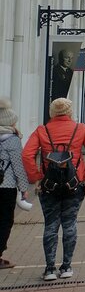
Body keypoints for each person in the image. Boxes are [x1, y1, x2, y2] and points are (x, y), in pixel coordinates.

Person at [22, 97, 85, 280]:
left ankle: (49, 269)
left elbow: (27, 154)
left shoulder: (42, 130)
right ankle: (66, 267)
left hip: (49, 186)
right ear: (70, 112)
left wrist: (36, 178)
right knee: (70, 224)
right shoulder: (80, 129)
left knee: (50, 225)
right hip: (74, 184)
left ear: (52, 112)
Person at [0, 98, 30, 270]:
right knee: (4, 220)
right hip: (6, 186)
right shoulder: (12, 140)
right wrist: (24, 188)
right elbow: (18, 166)